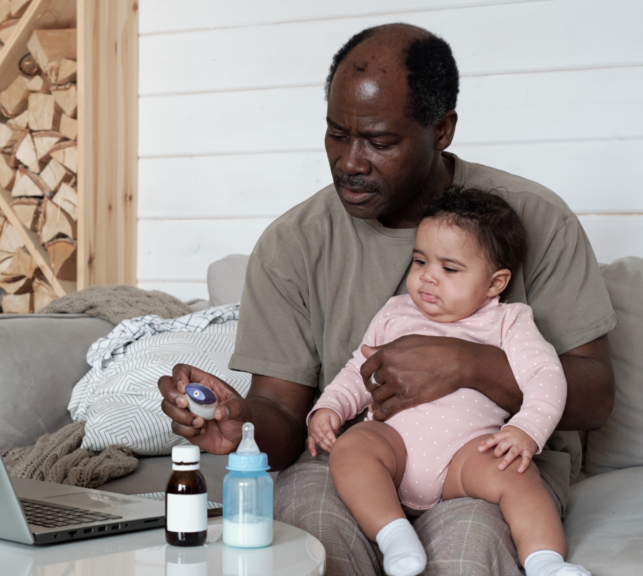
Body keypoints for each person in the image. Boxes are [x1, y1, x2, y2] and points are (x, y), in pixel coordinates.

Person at [158, 22, 617, 576]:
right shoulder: (293, 243)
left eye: (379, 141)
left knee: (467, 552)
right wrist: (240, 426)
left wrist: (465, 364)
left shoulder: (533, 220)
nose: (350, 161)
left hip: (486, 460)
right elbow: (283, 409)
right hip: (361, 457)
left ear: (441, 129)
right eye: (336, 134)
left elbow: (595, 397)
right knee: (313, 540)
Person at [307, 187, 589, 576]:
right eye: (420, 261)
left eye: (449, 269)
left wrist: (527, 429)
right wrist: (331, 406)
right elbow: (362, 367)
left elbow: (545, 376)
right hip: (394, 450)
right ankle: (394, 536)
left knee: (519, 476)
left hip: (466, 458)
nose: (427, 278)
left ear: (495, 283)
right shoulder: (395, 313)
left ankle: (545, 561)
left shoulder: (507, 321)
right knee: (351, 448)